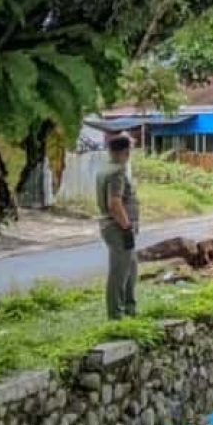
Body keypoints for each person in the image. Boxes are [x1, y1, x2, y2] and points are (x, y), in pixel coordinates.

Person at [96, 133, 140, 320]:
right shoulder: (117, 172)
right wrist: (126, 226)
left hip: (117, 226)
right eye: (128, 150)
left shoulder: (105, 169)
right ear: (125, 152)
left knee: (131, 266)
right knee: (119, 272)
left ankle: (130, 307)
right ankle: (116, 314)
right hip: (118, 227)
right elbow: (115, 203)